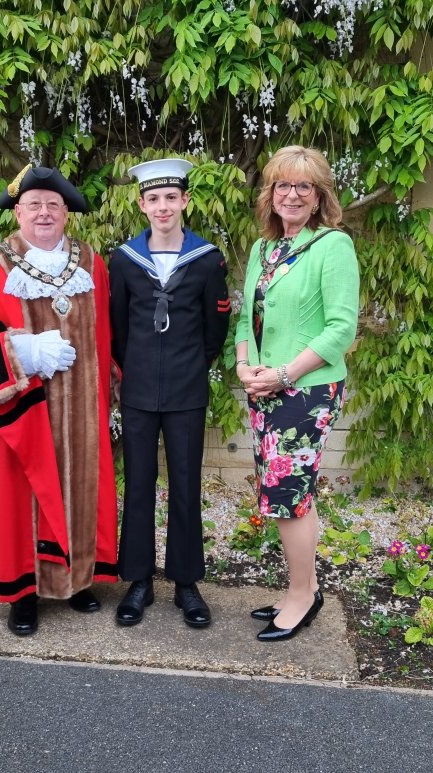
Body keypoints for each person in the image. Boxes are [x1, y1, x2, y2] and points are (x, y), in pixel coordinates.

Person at [0, 165, 118, 635]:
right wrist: (22, 351)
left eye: (53, 205)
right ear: (18, 212)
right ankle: (22, 593)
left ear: (66, 212)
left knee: (83, 486)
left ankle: (78, 579)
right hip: (22, 408)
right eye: (34, 206)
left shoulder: (92, 263)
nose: (44, 213)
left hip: (84, 407)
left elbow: (110, 330)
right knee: (20, 494)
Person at [235, 145, 360, 642]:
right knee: (285, 493)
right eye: (282, 185)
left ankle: (303, 597)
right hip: (263, 387)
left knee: (289, 496)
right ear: (270, 195)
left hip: (305, 388)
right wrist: (245, 365)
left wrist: (284, 374)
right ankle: (299, 589)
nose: (291, 194)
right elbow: (246, 317)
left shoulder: (332, 246)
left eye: (302, 187)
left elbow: (340, 330)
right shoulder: (262, 250)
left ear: (318, 197)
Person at [109, 158, 231, 628]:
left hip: (186, 391)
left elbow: (214, 328)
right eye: (153, 199)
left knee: (185, 485)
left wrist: (188, 368)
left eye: (171, 198)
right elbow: (119, 328)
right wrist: (136, 372)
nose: (163, 206)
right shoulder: (124, 260)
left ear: (185, 201)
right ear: (142, 204)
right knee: (138, 485)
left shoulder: (207, 258)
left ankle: (186, 582)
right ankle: (137, 580)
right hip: (138, 392)